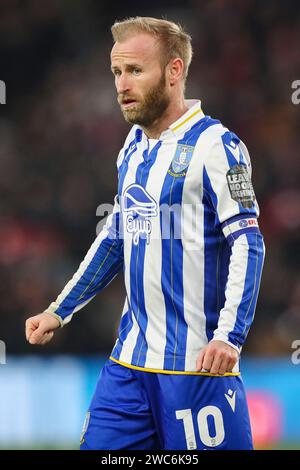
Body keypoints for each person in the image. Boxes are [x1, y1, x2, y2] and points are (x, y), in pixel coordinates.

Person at [25, 16, 265, 450]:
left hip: (197, 368)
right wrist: (60, 309)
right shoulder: (133, 146)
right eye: (117, 72)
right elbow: (115, 237)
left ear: (174, 71)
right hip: (128, 366)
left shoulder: (218, 146)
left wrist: (229, 335)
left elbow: (248, 242)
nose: (121, 84)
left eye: (135, 71)